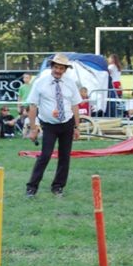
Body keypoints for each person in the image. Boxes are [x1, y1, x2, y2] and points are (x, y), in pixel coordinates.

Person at [25, 53, 81, 198]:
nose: (58, 71)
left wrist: (76, 127)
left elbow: (75, 105)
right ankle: (32, 187)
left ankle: (58, 187)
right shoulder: (40, 83)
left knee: (65, 157)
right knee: (45, 155)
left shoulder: (70, 83)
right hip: (49, 125)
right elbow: (32, 106)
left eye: (61, 68)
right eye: (56, 67)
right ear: (52, 67)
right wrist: (33, 128)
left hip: (67, 123)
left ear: (65, 70)